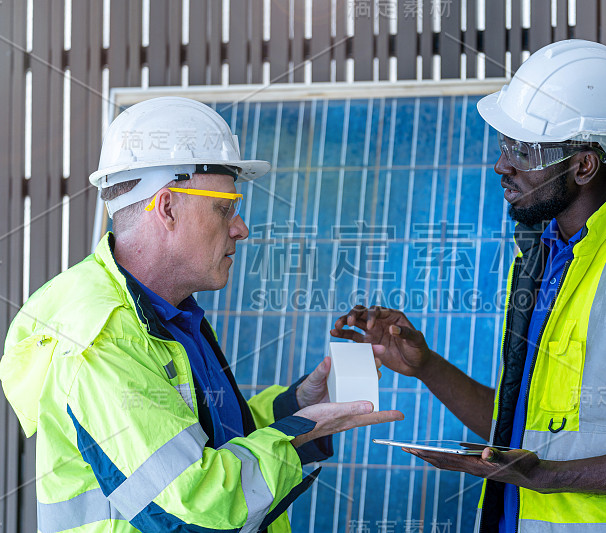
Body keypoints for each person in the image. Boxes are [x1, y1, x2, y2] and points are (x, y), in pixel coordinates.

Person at [331, 40, 606, 531]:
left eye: (523, 150)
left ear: (583, 166)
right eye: (505, 143)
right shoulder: (543, 258)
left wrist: (546, 477)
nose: (502, 165)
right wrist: (427, 367)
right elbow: (529, 432)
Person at [0, 96, 402, 533]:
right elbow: (191, 512)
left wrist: (297, 405)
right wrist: (299, 432)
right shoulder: (101, 337)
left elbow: (205, 443)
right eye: (224, 208)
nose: (240, 228)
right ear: (168, 207)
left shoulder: (164, 315)